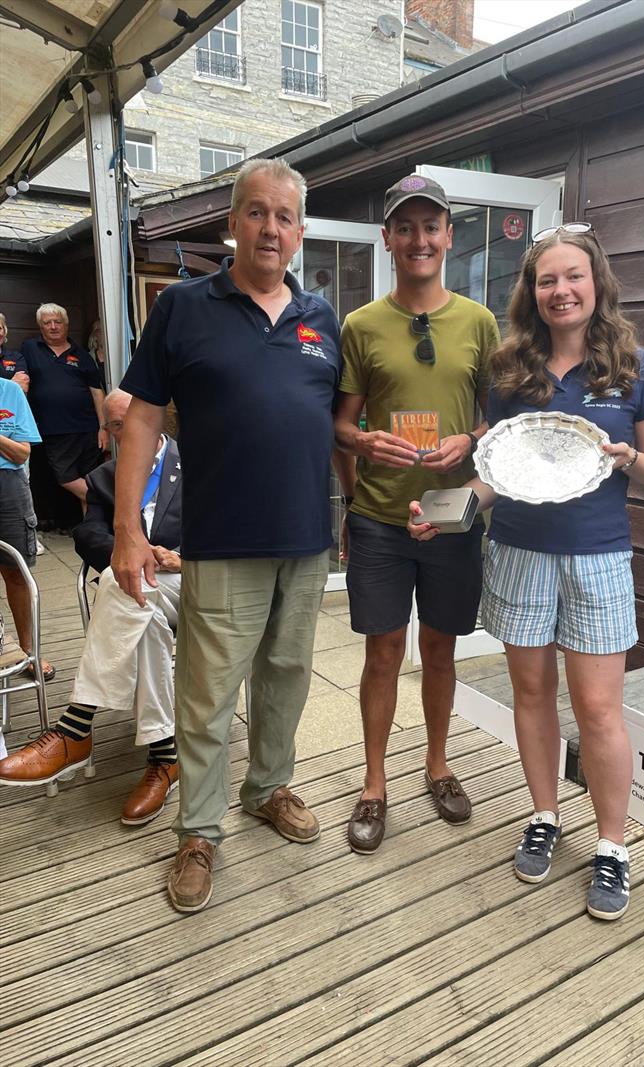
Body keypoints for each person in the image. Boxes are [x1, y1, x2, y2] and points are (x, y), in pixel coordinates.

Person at [409, 222, 644, 920]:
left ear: (597, 283)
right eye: (546, 279)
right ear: (532, 291)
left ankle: (613, 847)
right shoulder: (510, 369)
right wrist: (448, 508)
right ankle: (545, 814)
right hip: (520, 551)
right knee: (531, 693)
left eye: (572, 276)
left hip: (599, 555)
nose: (560, 290)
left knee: (599, 709)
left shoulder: (637, 367)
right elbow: (495, 473)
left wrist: (627, 460)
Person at [112, 157, 343, 913]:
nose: (269, 228)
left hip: (306, 541)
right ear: (232, 223)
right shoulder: (184, 308)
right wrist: (126, 530)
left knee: (285, 679)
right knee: (207, 693)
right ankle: (199, 829)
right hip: (221, 540)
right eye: (256, 212)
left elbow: (340, 427)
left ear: (299, 232)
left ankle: (268, 787)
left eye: (283, 216)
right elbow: (142, 416)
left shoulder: (321, 318)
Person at [334, 174, 500, 854]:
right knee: (382, 651)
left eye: (431, 226)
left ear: (448, 237)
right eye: (406, 227)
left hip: (454, 513)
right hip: (379, 514)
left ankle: (437, 764)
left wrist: (474, 440)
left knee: (440, 647)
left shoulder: (479, 322)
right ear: (389, 239)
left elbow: (500, 420)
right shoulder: (361, 325)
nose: (420, 239)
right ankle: (374, 784)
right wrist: (362, 440)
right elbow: (339, 424)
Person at [0, 390, 182, 825]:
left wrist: (177, 557)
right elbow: (88, 535)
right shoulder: (107, 476)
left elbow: (227, 533)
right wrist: (129, 551)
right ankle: (165, 755)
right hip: (143, 591)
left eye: (123, 423)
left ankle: (75, 729)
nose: (115, 433)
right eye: (111, 425)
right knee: (136, 599)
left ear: (151, 419)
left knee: (123, 592)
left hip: (193, 581)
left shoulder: (200, 465)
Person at [21, 303, 107, 512]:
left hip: (88, 428)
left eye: (57, 322)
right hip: (54, 429)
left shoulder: (82, 355)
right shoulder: (30, 348)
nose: (52, 326)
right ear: (40, 327)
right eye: (47, 323)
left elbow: (97, 392)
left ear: (66, 325)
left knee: (90, 477)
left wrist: (104, 427)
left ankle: (93, 531)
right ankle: (107, 500)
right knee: (66, 477)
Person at [0, 371, 55, 680]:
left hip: (9, 486)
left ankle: (28, 652)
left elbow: (22, 452)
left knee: (16, 572)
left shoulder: (9, 391)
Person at [0, 312, 29, 392]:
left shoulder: (16, 357)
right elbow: (15, 388)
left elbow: (22, 387)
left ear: (4, 331)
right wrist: (11, 384)